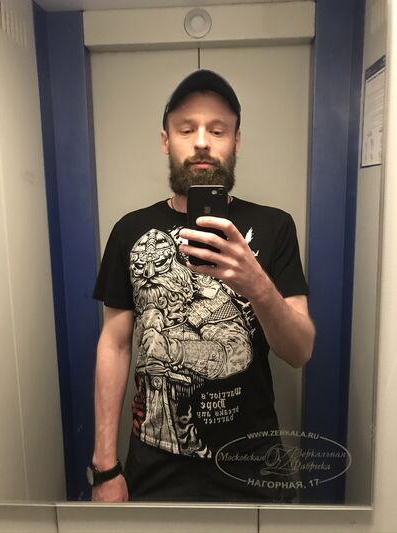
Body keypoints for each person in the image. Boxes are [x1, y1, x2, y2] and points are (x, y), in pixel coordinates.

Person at [89, 70, 315, 503]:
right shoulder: (129, 230)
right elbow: (114, 346)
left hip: (252, 466)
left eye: (217, 130)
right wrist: (104, 467)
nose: (201, 143)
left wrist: (256, 284)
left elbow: (299, 351)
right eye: (186, 129)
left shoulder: (274, 226)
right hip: (154, 463)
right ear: (165, 140)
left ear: (236, 141)